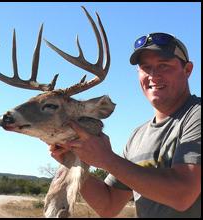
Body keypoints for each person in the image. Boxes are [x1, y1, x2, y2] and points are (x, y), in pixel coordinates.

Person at [49, 32, 201, 218]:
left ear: (187, 70)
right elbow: (108, 205)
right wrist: (71, 159)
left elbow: (182, 195)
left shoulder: (196, 116)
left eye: (164, 66)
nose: (153, 75)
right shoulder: (138, 136)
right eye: (146, 68)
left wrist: (106, 158)